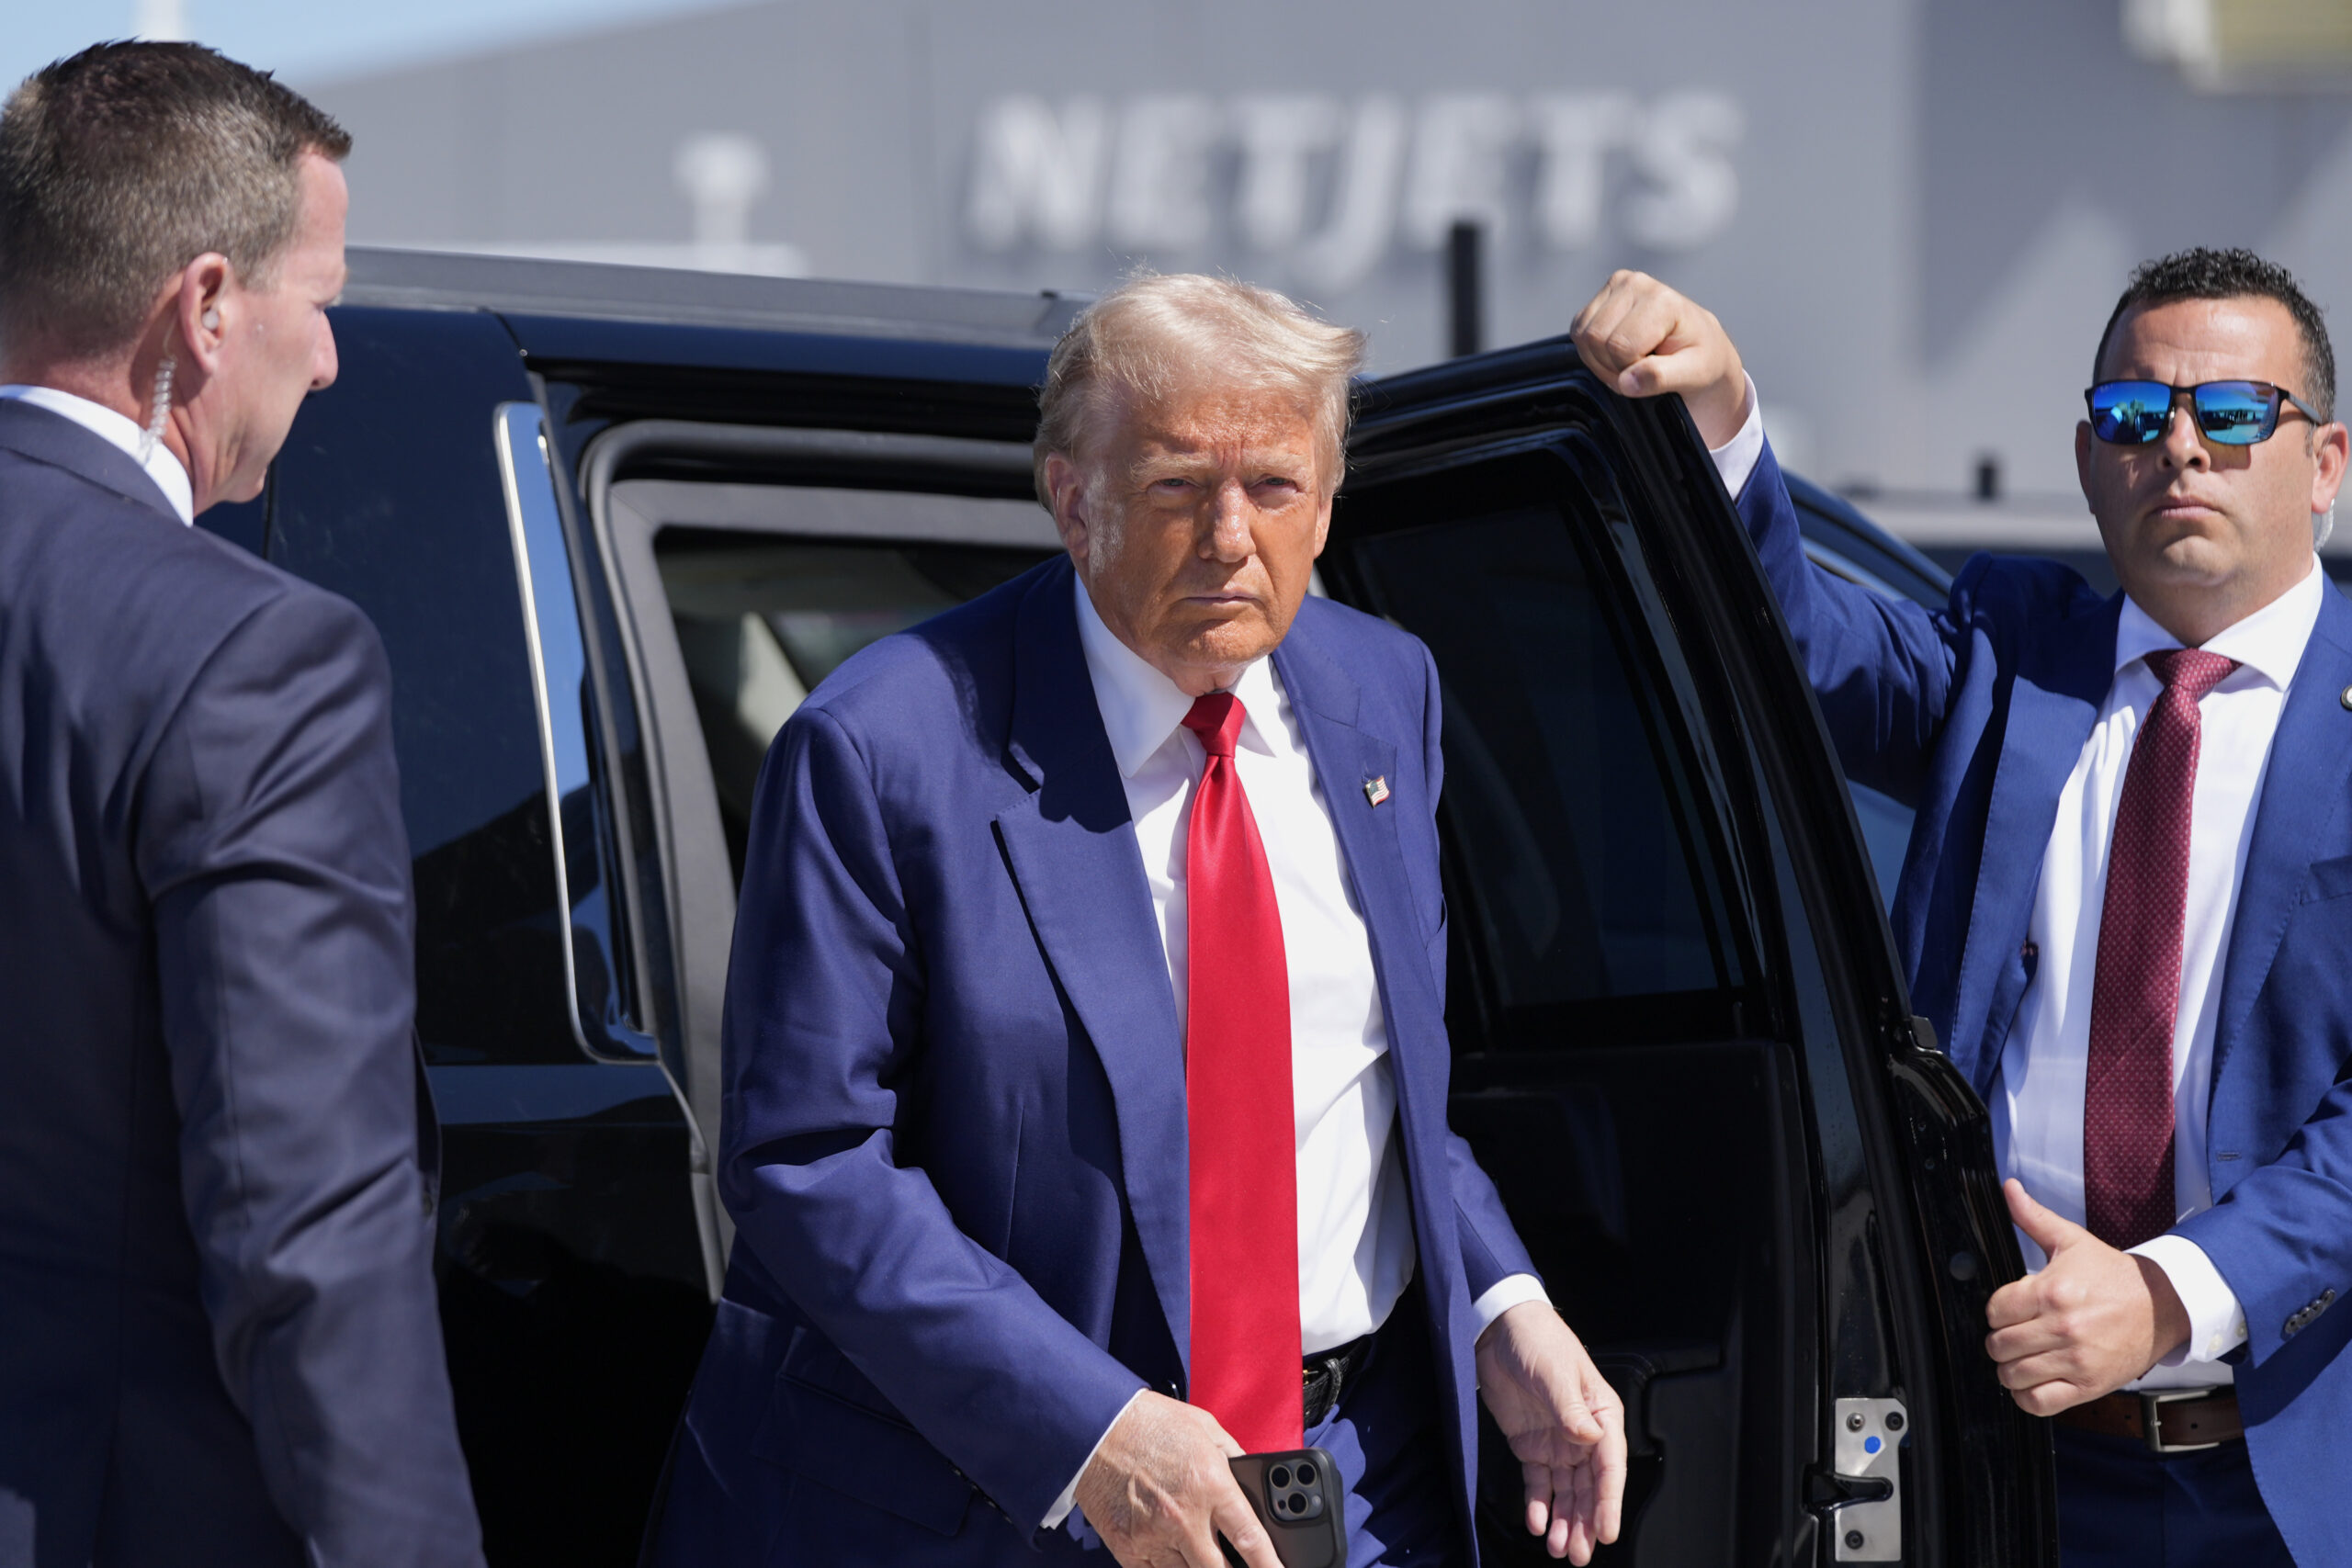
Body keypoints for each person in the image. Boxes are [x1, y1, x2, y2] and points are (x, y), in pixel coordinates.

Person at [650, 274, 1627, 1568]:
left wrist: (1505, 1305)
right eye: (1176, 487)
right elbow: (810, 1159)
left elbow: (1386, 1088)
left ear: (1328, 502)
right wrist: (1091, 1431)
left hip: (1355, 1469)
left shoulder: (1385, 691)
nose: (1231, 536)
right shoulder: (886, 743)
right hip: (1010, 1493)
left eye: (1275, 487)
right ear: (1072, 499)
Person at [1571, 251, 2352, 1564]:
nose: (2178, 450)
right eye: (2131, 417)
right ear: (2088, 453)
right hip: (1996, 1460)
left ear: (2324, 463)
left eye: (2230, 415)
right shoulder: (2008, 652)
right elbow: (1799, 646)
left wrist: (2167, 1294)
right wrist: (1718, 412)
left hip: (2285, 1473)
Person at [0, 42, 483, 1567]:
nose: (330, 358)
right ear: (204, 308)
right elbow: (307, 1240)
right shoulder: (249, 654)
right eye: (318, 300)